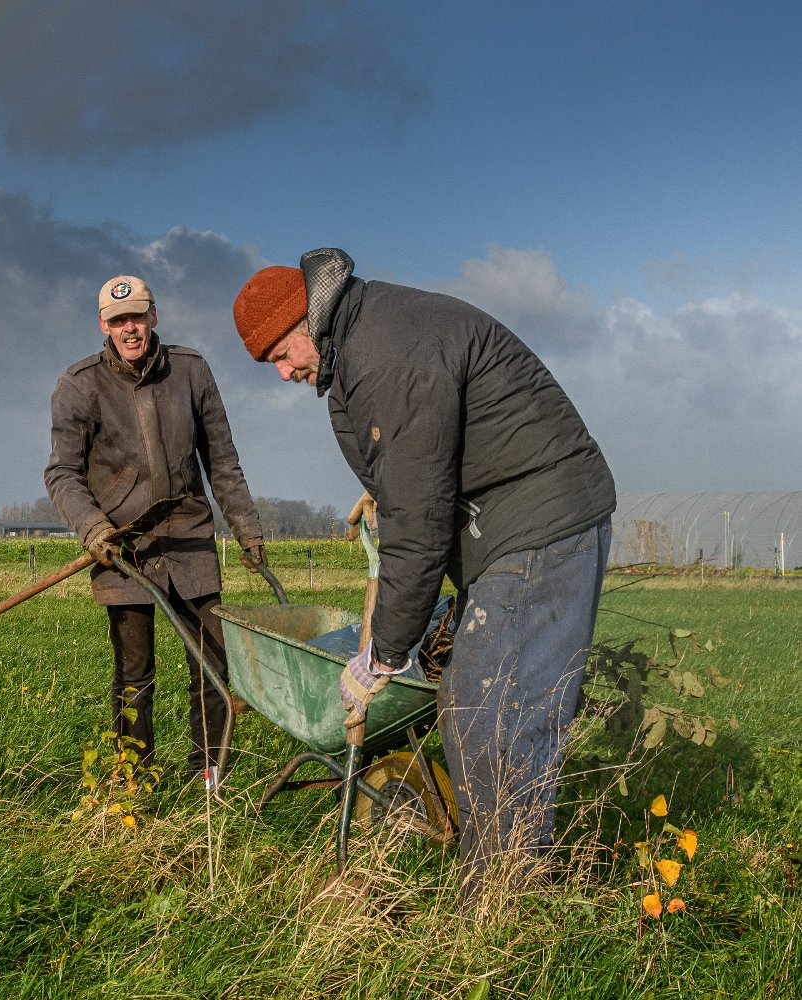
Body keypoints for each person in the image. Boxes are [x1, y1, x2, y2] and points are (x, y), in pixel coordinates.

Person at [232, 249, 615, 912]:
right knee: (472, 707)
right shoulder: (360, 347)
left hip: (540, 524)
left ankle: (506, 907)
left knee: (493, 716)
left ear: (304, 321)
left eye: (279, 355)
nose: (285, 373)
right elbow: (405, 484)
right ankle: (500, 885)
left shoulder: (384, 348)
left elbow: (420, 511)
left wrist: (384, 650)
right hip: (502, 528)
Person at [46, 274, 266, 786]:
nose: (130, 328)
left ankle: (206, 774)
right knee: (134, 675)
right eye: (119, 320)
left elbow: (222, 461)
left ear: (154, 317)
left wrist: (247, 529)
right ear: (103, 324)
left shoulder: (191, 370)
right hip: (122, 548)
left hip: (189, 538)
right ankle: (133, 779)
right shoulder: (78, 385)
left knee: (212, 665)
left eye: (137, 317)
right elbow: (61, 473)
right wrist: (93, 528)